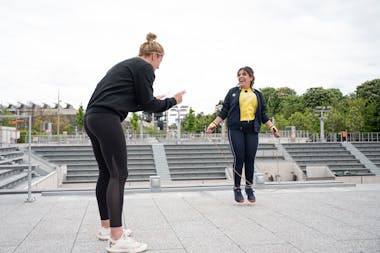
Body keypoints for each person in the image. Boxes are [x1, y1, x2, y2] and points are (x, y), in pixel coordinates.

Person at [84, 33, 185, 253]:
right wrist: (172, 101)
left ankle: (106, 227)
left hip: (92, 117)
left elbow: (138, 102)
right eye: (160, 62)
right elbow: (149, 105)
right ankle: (117, 238)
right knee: (118, 174)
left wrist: (154, 100)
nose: (157, 68)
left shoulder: (128, 65)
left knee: (106, 173)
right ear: (155, 56)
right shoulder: (144, 67)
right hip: (107, 117)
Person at [206, 66, 279, 203]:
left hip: (252, 130)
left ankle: (249, 188)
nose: (241, 76)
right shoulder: (232, 92)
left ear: (251, 77)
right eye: (239, 74)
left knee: (250, 159)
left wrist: (272, 127)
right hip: (236, 130)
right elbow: (224, 111)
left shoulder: (257, 94)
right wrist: (213, 124)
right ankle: (237, 189)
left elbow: (263, 114)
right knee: (239, 158)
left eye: (244, 74)